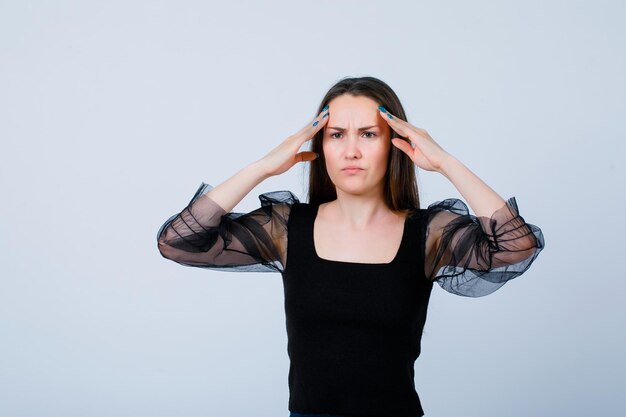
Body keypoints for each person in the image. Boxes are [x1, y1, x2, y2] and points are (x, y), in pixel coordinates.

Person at [156, 76, 545, 417]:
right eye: (336, 134)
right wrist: (263, 166)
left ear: (396, 143)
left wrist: (445, 162)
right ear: (320, 144)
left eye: (368, 134)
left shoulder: (429, 233)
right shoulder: (287, 227)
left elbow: (515, 248)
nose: (351, 151)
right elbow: (178, 242)